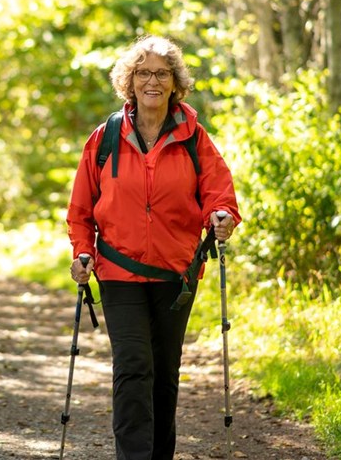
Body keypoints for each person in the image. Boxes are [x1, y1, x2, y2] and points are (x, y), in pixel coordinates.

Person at [66, 34, 241, 460]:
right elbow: (81, 207)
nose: (153, 81)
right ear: (130, 81)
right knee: (132, 368)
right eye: (143, 73)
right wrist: (82, 251)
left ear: (175, 83)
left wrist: (221, 217)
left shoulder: (194, 138)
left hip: (175, 274)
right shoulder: (104, 138)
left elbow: (219, 193)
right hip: (118, 272)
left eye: (162, 73)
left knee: (164, 373)